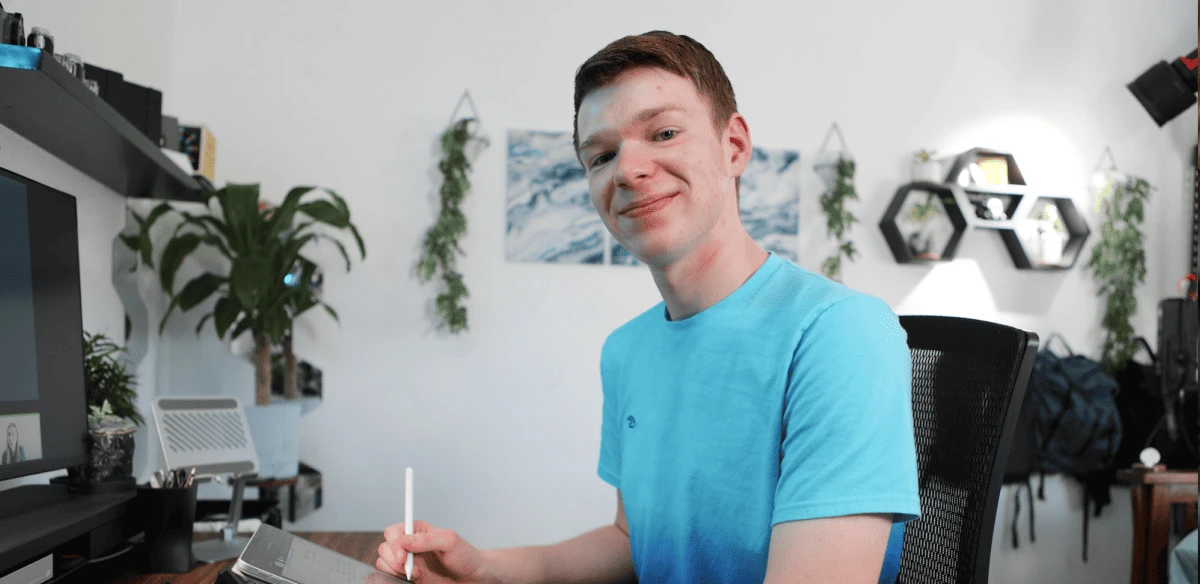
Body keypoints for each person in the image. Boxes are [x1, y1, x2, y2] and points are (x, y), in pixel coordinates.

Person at [377, 31, 920, 584]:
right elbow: (630, 543)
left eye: (663, 132)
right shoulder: (627, 350)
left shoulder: (839, 333)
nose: (628, 170)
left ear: (733, 146)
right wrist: (483, 570)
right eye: (601, 156)